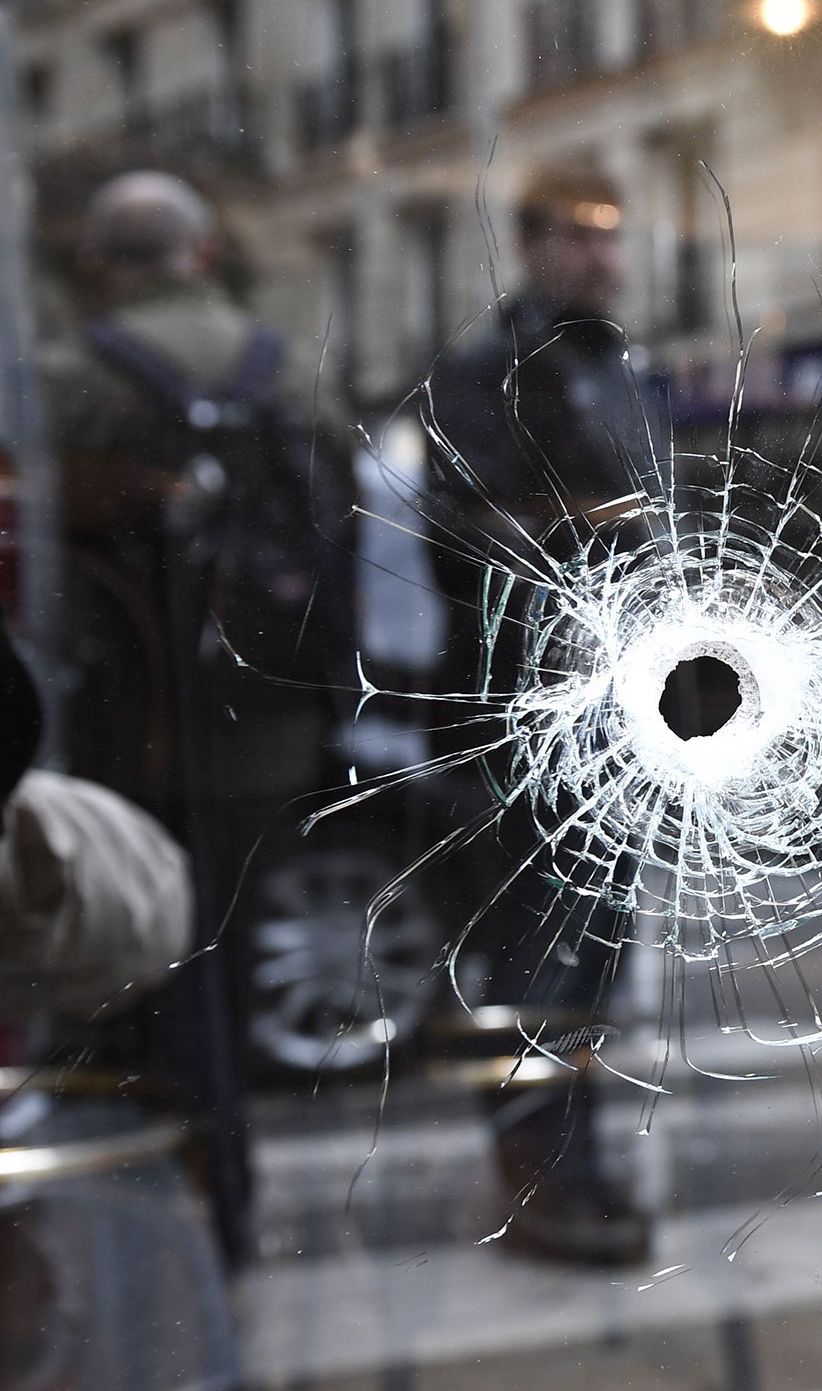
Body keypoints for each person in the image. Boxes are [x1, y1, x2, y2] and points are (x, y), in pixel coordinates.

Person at [40, 170, 355, 1267]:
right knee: (221, 966)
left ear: (96, 268)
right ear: (206, 253)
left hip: (125, 743)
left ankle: (188, 1221)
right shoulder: (295, 384)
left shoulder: (68, 384)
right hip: (267, 739)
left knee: (145, 982)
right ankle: (225, 1199)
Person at [426, 165, 657, 1265]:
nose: (602, 258)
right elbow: (472, 532)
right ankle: (538, 1178)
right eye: (580, 235)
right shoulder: (485, 374)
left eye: (613, 235)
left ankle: (582, 1165)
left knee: (601, 959)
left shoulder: (620, 372)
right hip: (523, 714)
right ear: (530, 247)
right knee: (535, 958)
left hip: (624, 717)